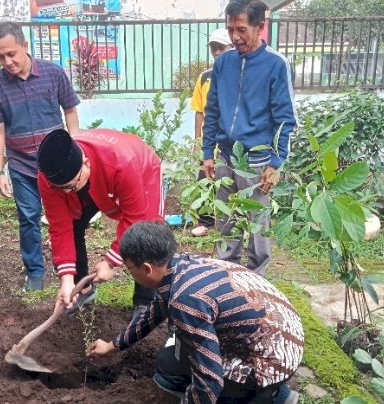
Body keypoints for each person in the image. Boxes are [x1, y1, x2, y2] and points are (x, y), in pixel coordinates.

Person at [88, 221, 303, 403]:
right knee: (167, 364)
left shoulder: (186, 300)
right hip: (278, 333)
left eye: (129, 269)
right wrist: (113, 346)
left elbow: (209, 379)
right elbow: (156, 310)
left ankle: (272, 396)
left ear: (146, 268)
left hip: (273, 360)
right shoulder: (182, 265)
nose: (130, 274)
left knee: (187, 378)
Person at [202, 0, 297, 275]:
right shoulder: (224, 63)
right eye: (231, 29)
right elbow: (213, 108)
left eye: (241, 29)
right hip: (226, 158)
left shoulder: (276, 65)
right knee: (226, 225)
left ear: (259, 26)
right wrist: (208, 152)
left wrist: (276, 163)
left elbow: (285, 118)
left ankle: (258, 287)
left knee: (258, 230)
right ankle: (227, 283)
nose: (235, 37)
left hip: (258, 162)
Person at [0, 21, 80, 291]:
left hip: (57, 165)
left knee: (68, 216)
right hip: (22, 167)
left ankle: (71, 266)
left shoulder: (53, 73)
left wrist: (76, 149)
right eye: (0, 56)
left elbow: (70, 111)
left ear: (25, 46)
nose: (7, 61)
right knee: (28, 218)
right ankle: (35, 273)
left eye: (11, 53)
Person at [36, 129, 163, 317]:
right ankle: (83, 289)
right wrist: (66, 279)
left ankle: (146, 303)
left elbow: (135, 218)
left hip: (140, 169)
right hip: (90, 178)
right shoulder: (50, 178)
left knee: (148, 232)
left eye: (69, 187)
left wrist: (111, 262)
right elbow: (60, 227)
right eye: (59, 189)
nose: (65, 194)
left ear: (86, 164)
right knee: (73, 225)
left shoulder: (122, 163)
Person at [188, 28, 233, 238]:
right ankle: (205, 222)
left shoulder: (238, 75)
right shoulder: (205, 77)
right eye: (214, 48)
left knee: (231, 181)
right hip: (210, 141)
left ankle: (232, 221)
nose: (216, 52)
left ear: (231, 47)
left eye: (220, 48)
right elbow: (200, 111)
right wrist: (198, 140)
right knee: (205, 179)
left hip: (232, 141)